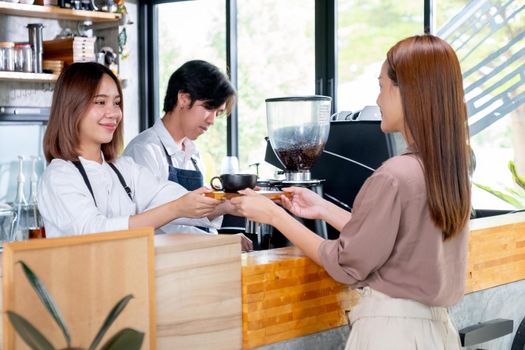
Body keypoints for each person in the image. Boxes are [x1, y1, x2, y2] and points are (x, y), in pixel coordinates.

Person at [231, 34, 471, 349]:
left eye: (382, 86)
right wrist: (322, 209)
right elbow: (395, 240)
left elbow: (346, 262)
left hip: (390, 334)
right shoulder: (449, 171)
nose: (379, 100)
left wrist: (274, 215)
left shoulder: (395, 175)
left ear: (408, 92)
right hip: (437, 333)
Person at [39, 62, 228, 238]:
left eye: (116, 103)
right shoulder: (59, 175)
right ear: (72, 107)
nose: (113, 113)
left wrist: (230, 203)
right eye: (100, 102)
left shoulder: (123, 168)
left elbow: (172, 197)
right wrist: (176, 208)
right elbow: (95, 232)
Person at [123, 60, 252, 250]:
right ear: (183, 99)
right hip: (157, 262)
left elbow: (191, 217)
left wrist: (226, 211)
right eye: (209, 108)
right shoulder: (144, 150)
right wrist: (219, 241)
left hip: (189, 258)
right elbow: (156, 221)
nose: (212, 120)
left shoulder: (193, 154)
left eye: (218, 112)